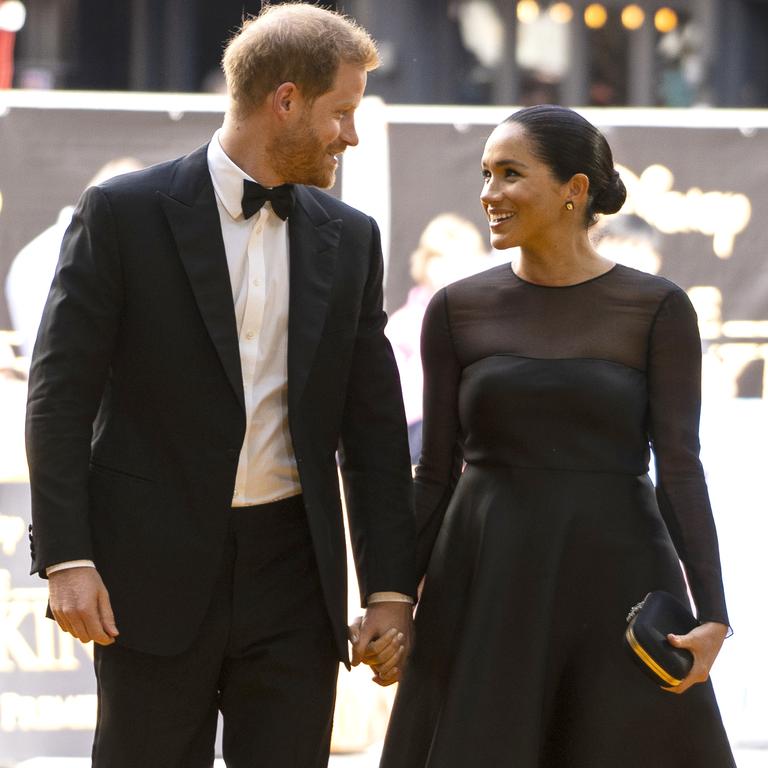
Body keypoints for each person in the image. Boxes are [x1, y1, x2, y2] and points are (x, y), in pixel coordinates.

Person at [25, 5, 416, 767]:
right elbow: (59, 393)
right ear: (287, 101)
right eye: (342, 112)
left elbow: (372, 428)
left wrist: (390, 591)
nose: (352, 135)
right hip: (150, 567)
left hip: (295, 574)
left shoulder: (352, 238)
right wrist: (67, 556)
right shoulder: (124, 213)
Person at [379, 105, 734, 767]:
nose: (489, 192)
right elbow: (433, 473)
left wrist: (713, 612)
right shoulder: (455, 309)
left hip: (616, 575)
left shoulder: (656, 307)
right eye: (486, 173)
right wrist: (393, 596)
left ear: (575, 189)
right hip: (485, 576)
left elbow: (681, 465)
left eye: (510, 174)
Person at [386, 213, 489, 463]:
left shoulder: (488, 322)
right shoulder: (402, 326)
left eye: (461, 260)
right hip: (416, 435)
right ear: (426, 264)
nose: (451, 270)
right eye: (441, 259)